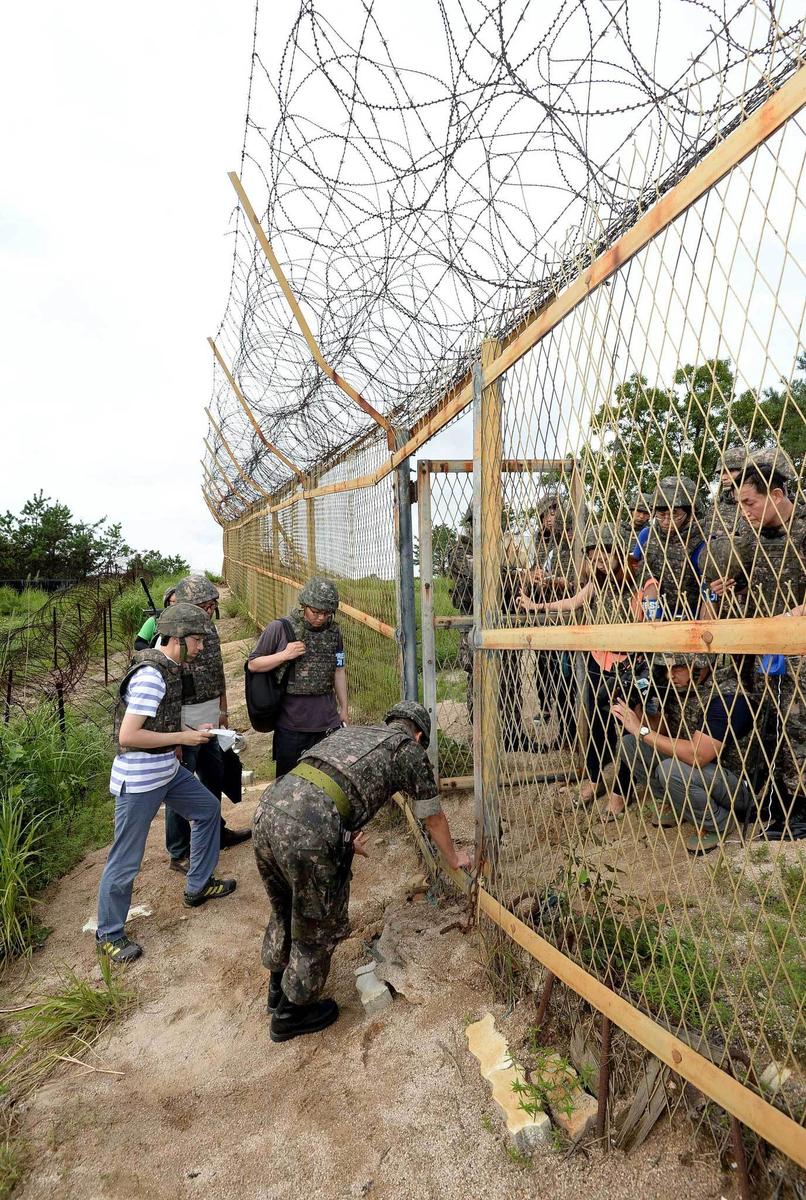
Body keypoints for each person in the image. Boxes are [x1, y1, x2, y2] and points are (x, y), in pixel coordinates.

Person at [252, 701, 472, 1042]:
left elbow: (328, 784)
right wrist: (454, 859)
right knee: (315, 922)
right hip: (308, 830)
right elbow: (433, 816)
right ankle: (292, 1013)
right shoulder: (407, 750)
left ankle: (276, 990)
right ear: (417, 734)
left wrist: (338, 838)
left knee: (284, 902)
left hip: (269, 810)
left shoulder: (355, 732)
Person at [95, 603, 236, 964]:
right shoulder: (151, 676)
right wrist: (181, 740)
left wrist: (192, 733)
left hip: (165, 771)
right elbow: (129, 736)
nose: (203, 648)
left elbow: (158, 724)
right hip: (141, 780)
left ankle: (198, 884)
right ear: (176, 639)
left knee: (206, 809)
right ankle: (109, 933)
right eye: (197, 641)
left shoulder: (170, 668)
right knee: (126, 858)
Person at [519, 523, 648, 811]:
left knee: (627, 726)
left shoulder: (636, 584)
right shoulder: (596, 583)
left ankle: (620, 791)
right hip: (597, 662)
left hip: (629, 664)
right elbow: (571, 602)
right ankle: (593, 779)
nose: (599, 558)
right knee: (596, 724)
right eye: (592, 554)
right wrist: (537, 606)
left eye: (605, 551)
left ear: (619, 552)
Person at [605, 652, 754, 851]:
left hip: (738, 784)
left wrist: (641, 730)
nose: (670, 675)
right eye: (667, 668)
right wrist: (636, 707)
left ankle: (717, 821)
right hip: (704, 774)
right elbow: (662, 729)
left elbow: (698, 755)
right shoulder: (683, 688)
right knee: (630, 745)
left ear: (701, 666)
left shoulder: (727, 697)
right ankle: (682, 805)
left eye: (677, 668)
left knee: (670, 769)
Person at [164, 575, 250, 874]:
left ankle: (215, 832)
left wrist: (224, 711)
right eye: (205, 606)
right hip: (184, 723)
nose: (210, 611)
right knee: (180, 786)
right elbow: (168, 688)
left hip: (210, 719)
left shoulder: (208, 632)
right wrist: (174, 735)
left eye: (213, 606)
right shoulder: (171, 635)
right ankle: (180, 851)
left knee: (214, 776)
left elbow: (218, 672)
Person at [247, 577, 348, 779]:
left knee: (328, 784)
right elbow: (253, 664)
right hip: (292, 726)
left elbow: (339, 670)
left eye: (327, 613)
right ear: (304, 606)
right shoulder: (280, 628)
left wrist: (344, 709)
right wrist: (284, 655)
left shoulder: (334, 632)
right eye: (316, 612)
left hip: (327, 723)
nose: (321, 618)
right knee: (288, 783)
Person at [640, 476, 705, 620]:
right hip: (655, 614)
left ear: (690, 513)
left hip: (693, 617)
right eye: (661, 515)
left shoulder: (701, 540)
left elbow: (709, 589)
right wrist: (654, 619)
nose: (666, 521)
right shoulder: (648, 536)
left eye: (675, 515)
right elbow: (640, 574)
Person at [134, 585, 176, 651]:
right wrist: (154, 651)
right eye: (174, 601)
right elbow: (138, 643)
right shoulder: (154, 621)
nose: (179, 604)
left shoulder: (190, 620)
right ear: (167, 603)